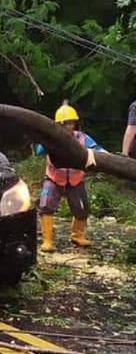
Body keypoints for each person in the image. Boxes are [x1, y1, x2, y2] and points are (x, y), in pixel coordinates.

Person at [35, 102, 105, 252]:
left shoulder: (82, 138)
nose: (69, 126)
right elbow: (39, 151)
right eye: (66, 123)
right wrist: (46, 140)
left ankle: (77, 235)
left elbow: (97, 149)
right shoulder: (51, 138)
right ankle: (47, 240)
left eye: (71, 123)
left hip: (76, 179)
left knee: (81, 207)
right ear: (59, 124)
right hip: (54, 177)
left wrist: (107, 156)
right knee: (46, 205)